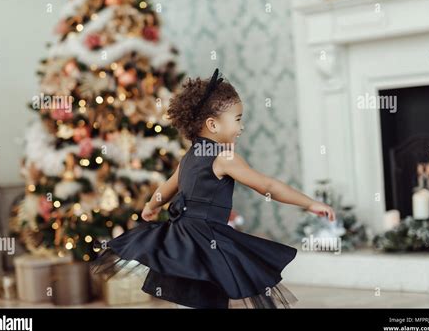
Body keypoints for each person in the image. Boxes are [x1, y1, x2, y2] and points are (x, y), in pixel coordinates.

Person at [91, 69, 336, 308]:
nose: (241, 127)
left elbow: (166, 189)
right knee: (204, 297)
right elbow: (267, 185)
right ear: (213, 124)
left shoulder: (189, 156)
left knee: (190, 297)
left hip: (180, 240)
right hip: (205, 240)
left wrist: (151, 206)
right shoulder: (224, 157)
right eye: (238, 119)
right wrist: (309, 203)